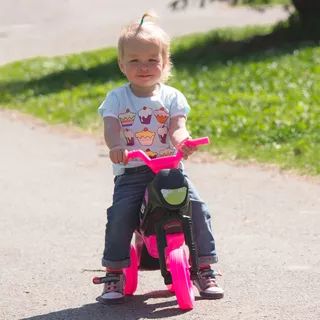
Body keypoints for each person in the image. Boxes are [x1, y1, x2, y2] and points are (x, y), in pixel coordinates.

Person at [96, 12, 224, 304]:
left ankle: (205, 267)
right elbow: (111, 128)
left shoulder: (172, 97)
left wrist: (184, 142)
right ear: (121, 64)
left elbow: (177, 128)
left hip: (168, 169)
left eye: (152, 59)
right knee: (119, 215)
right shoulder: (116, 99)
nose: (144, 67)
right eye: (134, 60)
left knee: (198, 207)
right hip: (133, 171)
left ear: (165, 63)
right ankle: (114, 273)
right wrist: (117, 147)